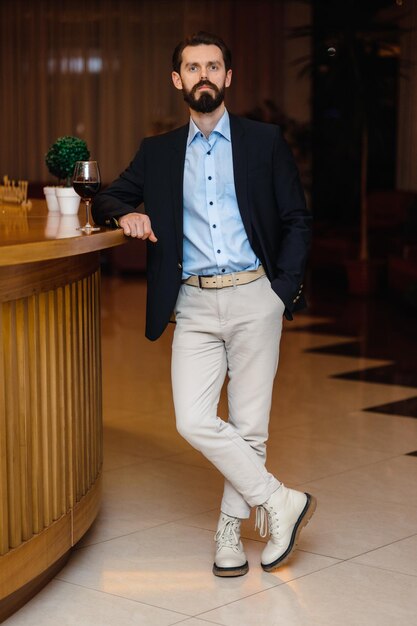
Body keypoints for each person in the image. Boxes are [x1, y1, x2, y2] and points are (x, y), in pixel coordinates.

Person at [92, 31, 316, 578]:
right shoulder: (160, 151)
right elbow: (107, 195)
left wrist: (279, 290)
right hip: (192, 303)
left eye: (213, 66)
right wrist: (126, 214)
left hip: (254, 295)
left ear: (228, 77)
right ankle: (279, 499)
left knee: (249, 424)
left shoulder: (264, 141)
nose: (204, 75)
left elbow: (297, 219)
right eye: (193, 68)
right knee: (193, 419)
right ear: (178, 81)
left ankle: (230, 535)